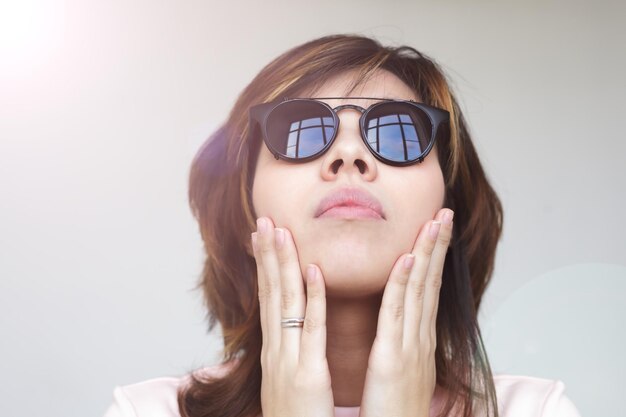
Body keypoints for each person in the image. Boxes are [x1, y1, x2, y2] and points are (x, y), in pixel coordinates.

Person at [103, 34, 582, 417]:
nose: (348, 154)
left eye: (398, 131)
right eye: (301, 130)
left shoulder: (536, 410)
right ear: (244, 213)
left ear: (449, 208)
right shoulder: (148, 412)